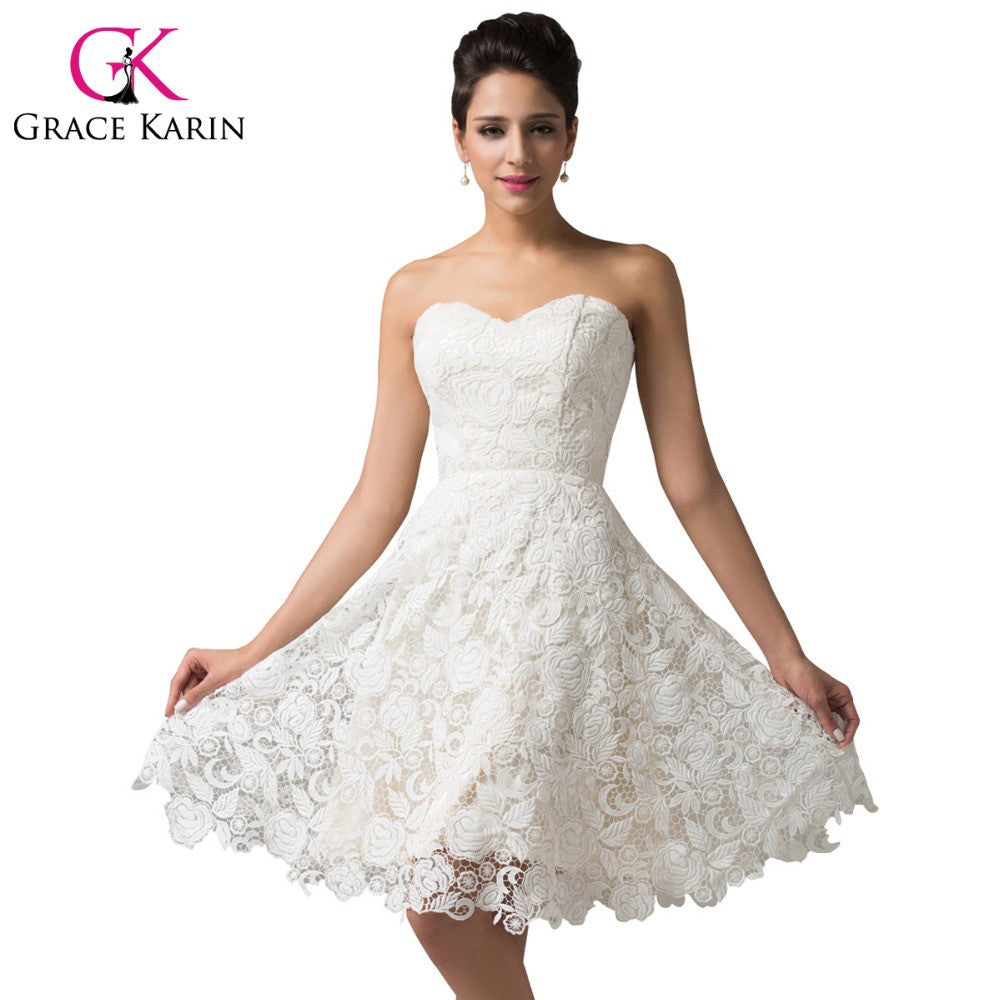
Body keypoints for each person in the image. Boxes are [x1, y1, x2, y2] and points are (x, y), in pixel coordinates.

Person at [131, 12, 877, 1000]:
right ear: (457, 138)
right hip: (445, 618)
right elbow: (378, 496)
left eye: (540, 127)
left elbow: (690, 479)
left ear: (572, 136)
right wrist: (255, 647)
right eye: (492, 129)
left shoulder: (637, 274)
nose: (516, 153)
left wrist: (785, 652)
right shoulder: (414, 289)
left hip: (570, 607)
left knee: (443, 896)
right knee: (475, 897)